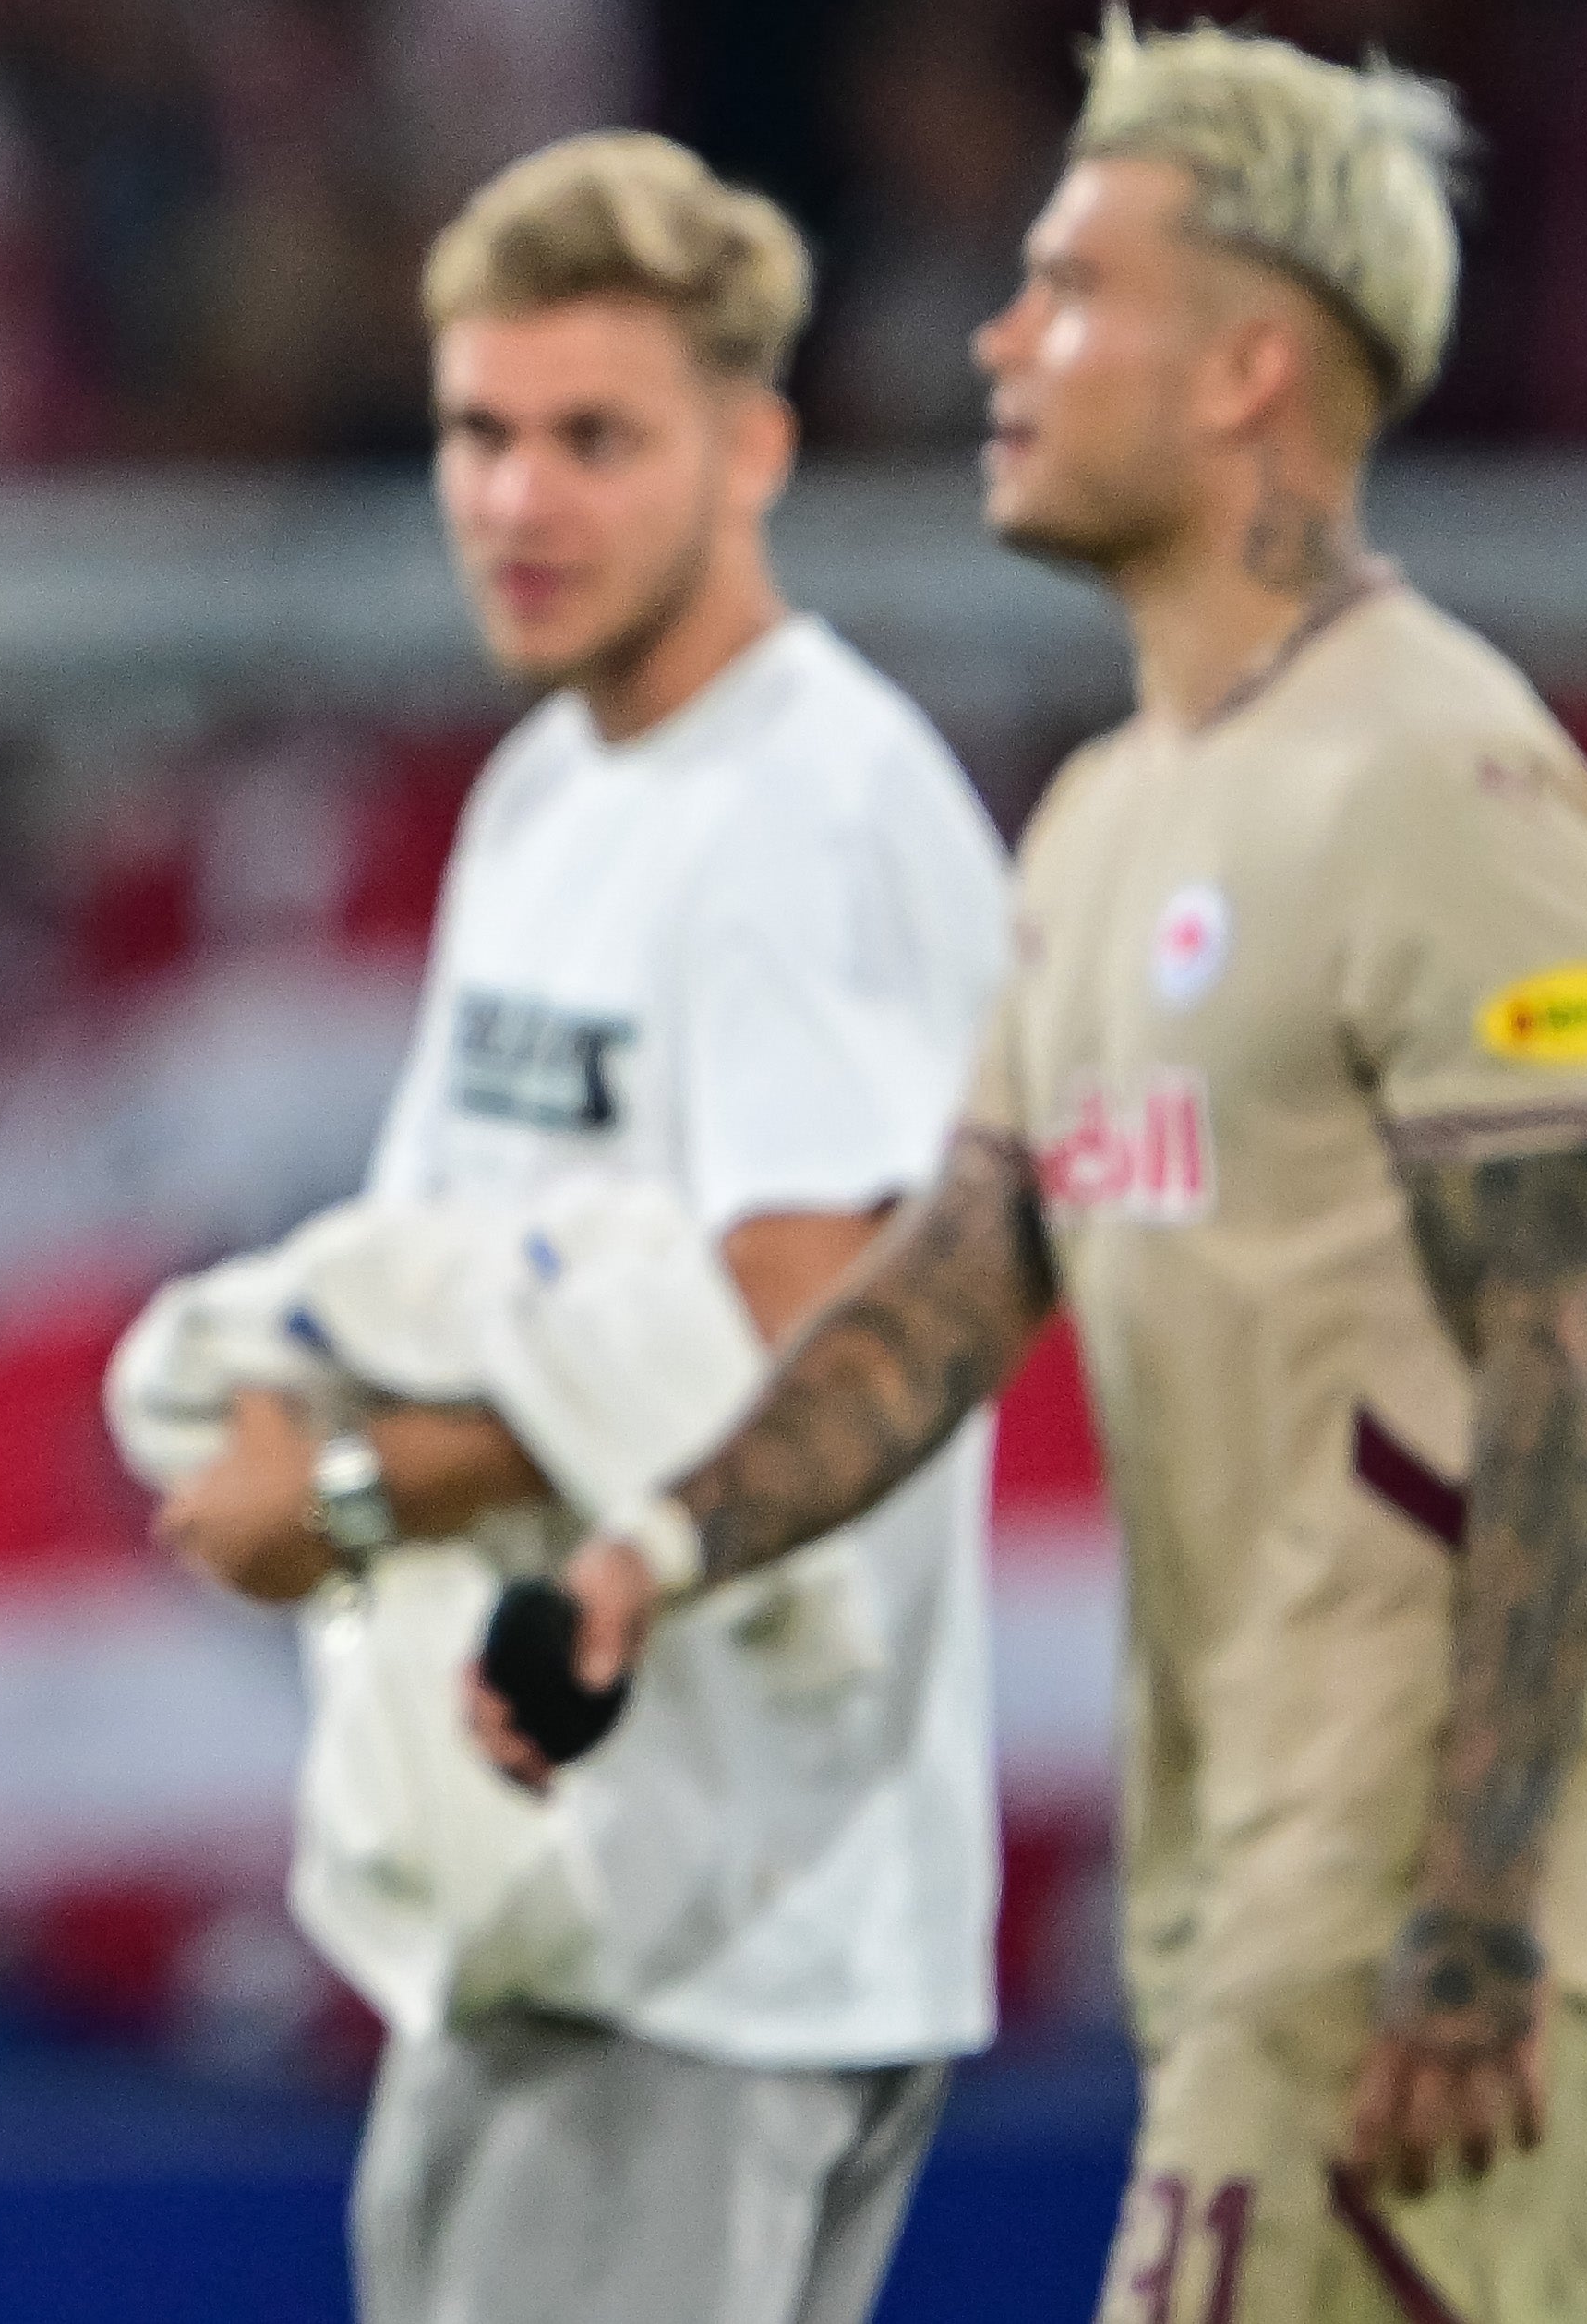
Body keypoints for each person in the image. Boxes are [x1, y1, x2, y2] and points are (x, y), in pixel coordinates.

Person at [510, 14, 1587, 2321]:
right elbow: (954, 1282)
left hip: (1442, 1926)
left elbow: (1568, 1360)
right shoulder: (1108, 817)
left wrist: (1473, 1917)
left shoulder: (1457, 788)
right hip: (1250, 1890)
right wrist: (659, 1541)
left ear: (1246, 370)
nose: (997, 337)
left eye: (1068, 286)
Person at [149, 132, 1010, 2324]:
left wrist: (346, 1492)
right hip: (568, 1887)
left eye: (593, 438)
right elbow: (465, 1263)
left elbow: (810, 1344)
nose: (517, 498)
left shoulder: (808, 813)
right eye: (479, 432)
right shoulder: (559, 784)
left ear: (756, 448)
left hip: (719, 1918)